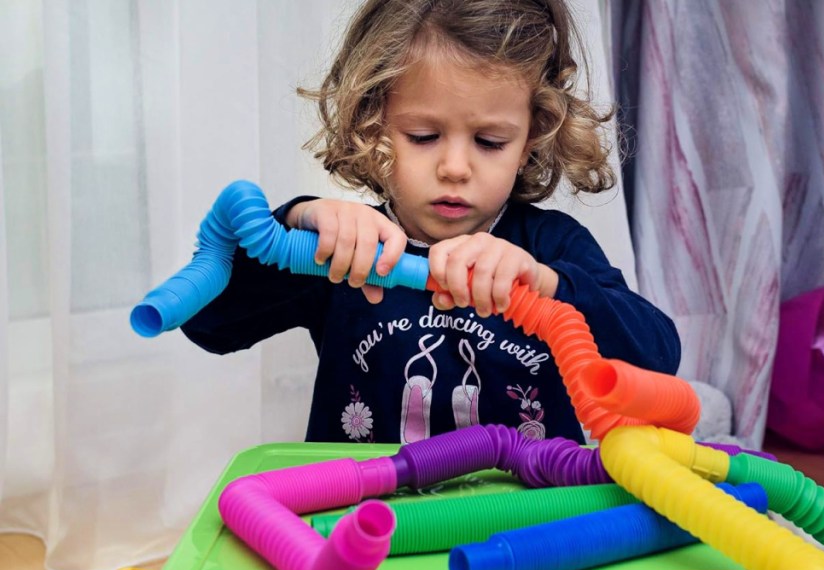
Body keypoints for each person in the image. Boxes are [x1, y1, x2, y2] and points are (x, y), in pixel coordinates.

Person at [182, 0, 681, 446]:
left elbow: (657, 359)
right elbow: (208, 325)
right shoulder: (347, 250)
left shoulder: (551, 247)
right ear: (375, 124)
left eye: (490, 142)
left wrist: (549, 284)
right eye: (423, 135)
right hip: (372, 524)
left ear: (532, 139)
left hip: (526, 530)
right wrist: (293, 224)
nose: (455, 168)